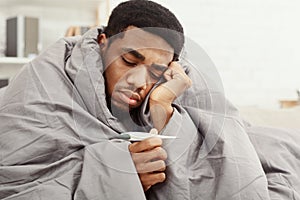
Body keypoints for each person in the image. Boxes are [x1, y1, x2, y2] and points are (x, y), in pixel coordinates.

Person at [3, 0, 297, 199]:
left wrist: (161, 107)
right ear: (103, 44)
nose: (138, 82)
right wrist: (118, 173)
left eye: (156, 71)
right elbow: (16, 184)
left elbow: (229, 162)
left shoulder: (179, 80)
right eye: (129, 60)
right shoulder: (48, 77)